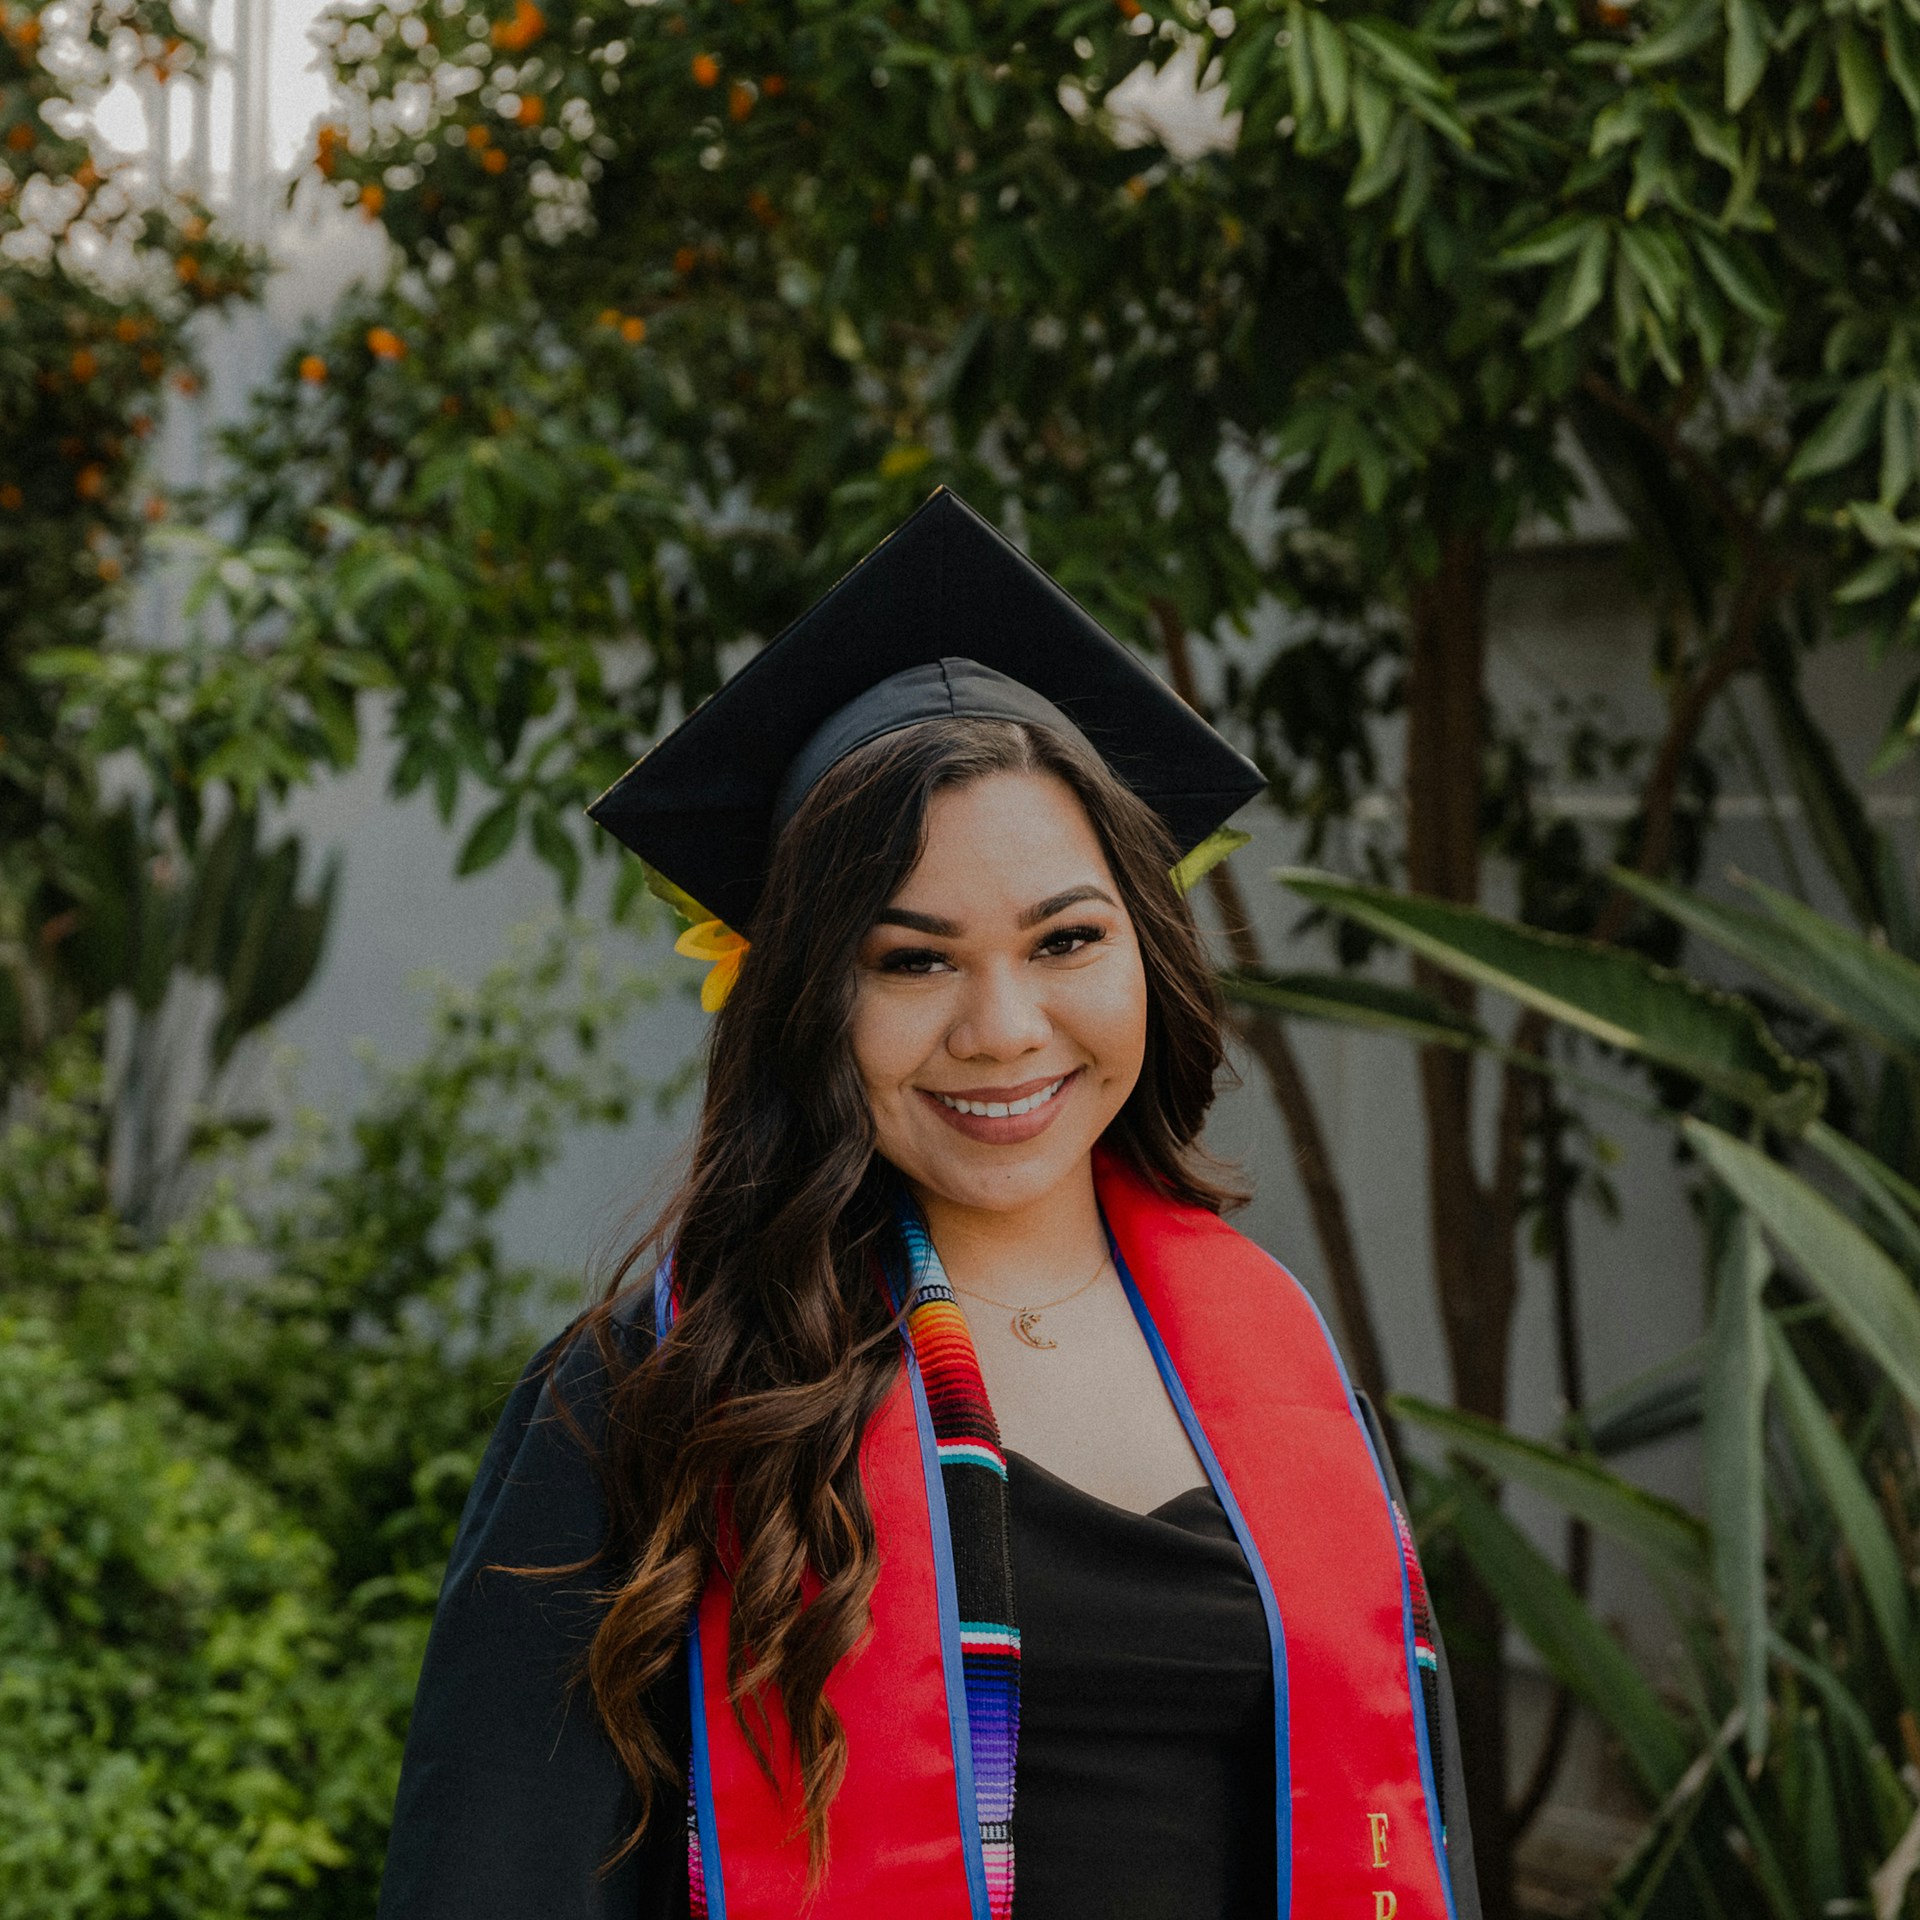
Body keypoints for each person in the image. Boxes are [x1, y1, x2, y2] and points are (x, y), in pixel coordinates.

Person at [376, 490, 1480, 1920]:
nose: (1004, 1027)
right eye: (913, 962)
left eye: (1065, 939)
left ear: (1146, 948)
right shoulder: (654, 1400)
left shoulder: (1285, 1376)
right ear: (803, 1000)